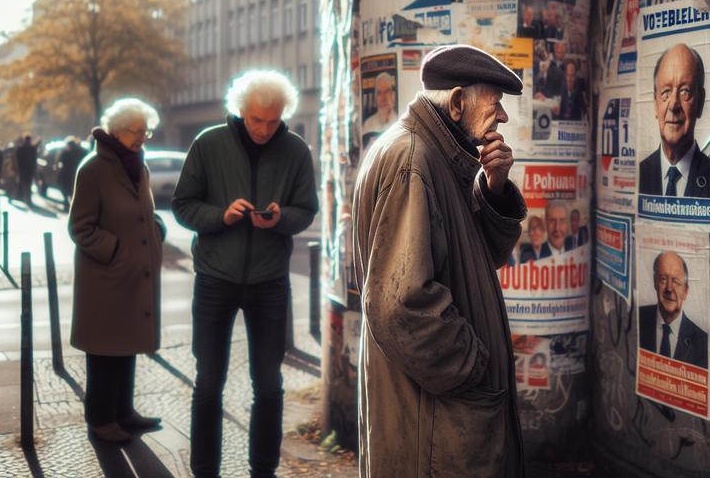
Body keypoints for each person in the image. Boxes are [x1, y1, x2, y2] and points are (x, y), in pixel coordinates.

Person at [352, 44, 526, 477]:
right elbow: (402, 304)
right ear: (457, 102)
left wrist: (494, 188)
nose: (501, 116)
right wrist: (474, 367)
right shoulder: (414, 159)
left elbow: (477, 260)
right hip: (434, 419)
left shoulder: (432, 153)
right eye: (495, 102)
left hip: (434, 412)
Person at [172, 69, 318, 478]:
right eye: (256, 120)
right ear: (240, 111)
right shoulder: (208, 144)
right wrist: (221, 215)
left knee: (269, 385)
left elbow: (306, 210)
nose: (264, 130)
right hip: (215, 278)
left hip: (270, 280)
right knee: (208, 383)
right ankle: (204, 470)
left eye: (273, 122)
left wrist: (280, 218)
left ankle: (263, 470)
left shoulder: (295, 150)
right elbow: (183, 205)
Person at [68, 98, 165, 444]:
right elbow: (80, 227)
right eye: (135, 131)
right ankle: (100, 419)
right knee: (104, 353)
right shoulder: (93, 168)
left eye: (145, 131)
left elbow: (140, 212)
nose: (142, 138)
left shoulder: (138, 164)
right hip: (106, 280)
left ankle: (124, 412)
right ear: (116, 130)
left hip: (133, 277)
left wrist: (155, 230)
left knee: (127, 347)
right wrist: (117, 251)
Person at [638, 43, 710, 198]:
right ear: (655, 103)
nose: (673, 104)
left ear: (700, 102)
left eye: (685, 91)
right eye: (665, 92)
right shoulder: (637, 176)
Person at [638, 251, 708, 369]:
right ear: (655, 283)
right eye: (663, 279)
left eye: (676, 281)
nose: (669, 288)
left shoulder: (702, 342)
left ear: (685, 291)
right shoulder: (637, 319)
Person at [361, 72, 398, 142]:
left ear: (392, 95)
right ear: (375, 98)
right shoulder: (368, 124)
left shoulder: (400, 121)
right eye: (379, 93)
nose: (383, 98)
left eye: (387, 91)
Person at [59, 137, 88, 211]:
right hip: (71, 175)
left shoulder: (67, 152)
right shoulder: (79, 152)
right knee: (69, 191)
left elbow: (61, 162)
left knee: (69, 191)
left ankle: (68, 206)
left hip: (70, 175)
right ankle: (68, 205)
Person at [15, 134, 40, 205]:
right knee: (28, 184)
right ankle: (28, 199)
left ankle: (24, 198)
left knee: (24, 184)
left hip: (23, 170)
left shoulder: (20, 148)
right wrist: (35, 169)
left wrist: (18, 170)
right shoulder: (33, 148)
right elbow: (35, 160)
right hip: (30, 170)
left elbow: (18, 161)